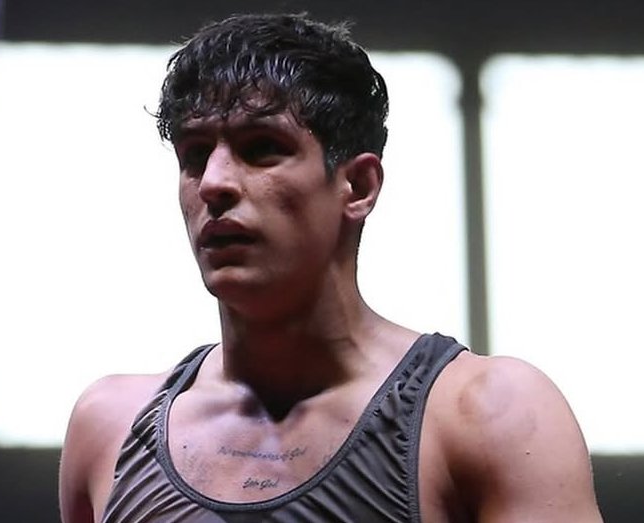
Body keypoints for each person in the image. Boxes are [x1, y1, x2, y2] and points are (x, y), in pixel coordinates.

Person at [59, 13, 602, 523]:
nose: (214, 184)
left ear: (358, 186)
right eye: (195, 156)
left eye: (262, 148)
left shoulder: (487, 416)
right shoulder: (109, 428)